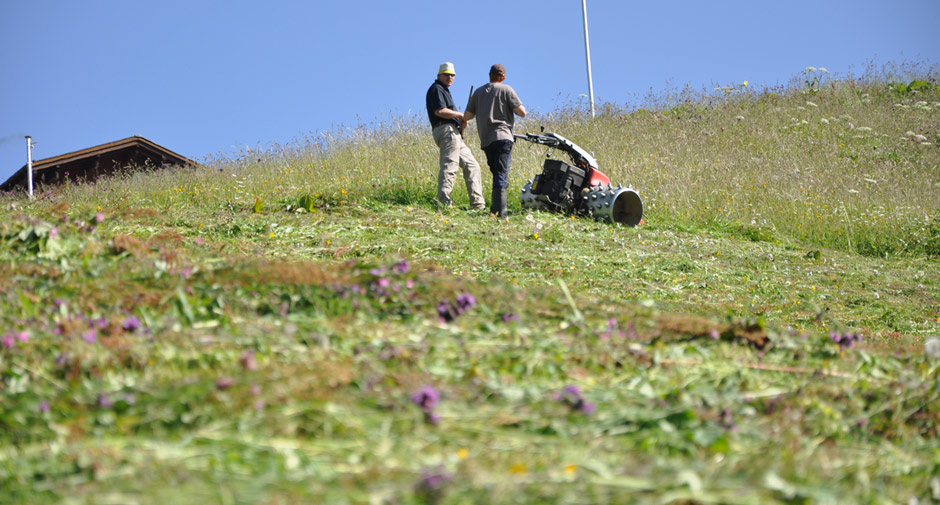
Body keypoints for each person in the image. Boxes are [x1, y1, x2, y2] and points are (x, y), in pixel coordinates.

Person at [463, 63, 526, 218]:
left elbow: (467, 116)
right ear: (503, 77)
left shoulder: (477, 93)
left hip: (486, 141)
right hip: (503, 136)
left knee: (496, 172)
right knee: (501, 173)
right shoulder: (507, 89)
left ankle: (495, 210)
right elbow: (522, 113)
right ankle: (501, 213)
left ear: (490, 75)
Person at [425, 62, 486, 210]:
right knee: (450, 166)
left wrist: (460, 122)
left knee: (473, 166)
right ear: (439, 75)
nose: (450, 77)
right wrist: (460, 115)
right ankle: (443, 203)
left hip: (453, 132)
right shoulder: (437, 89)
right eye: (446, 74)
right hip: (446, 131)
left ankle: (478, 205)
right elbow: (440, 111)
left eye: (452, 75)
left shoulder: (444, 90)